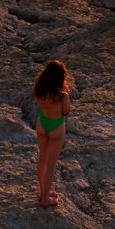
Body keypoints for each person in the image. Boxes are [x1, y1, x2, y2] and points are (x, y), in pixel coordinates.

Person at [33, 59, 70, 208]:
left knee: (42, 159)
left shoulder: (39, 89)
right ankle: (45, 200)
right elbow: (65, 111)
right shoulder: (62, 95)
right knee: (50, 165)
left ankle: (43, 193)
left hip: (41, 124)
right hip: (56, 127)